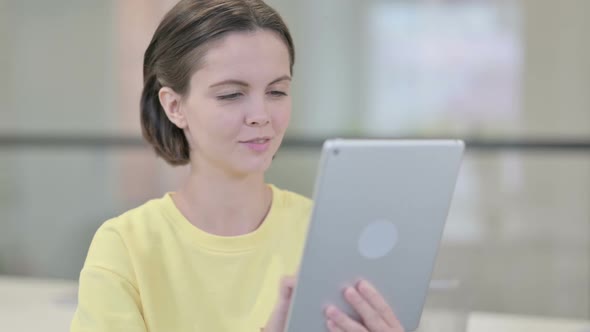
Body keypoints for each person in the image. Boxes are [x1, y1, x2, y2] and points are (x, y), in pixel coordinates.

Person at [70, 0, 405, 331]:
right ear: (174, 106)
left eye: (276, 92)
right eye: (231, 95)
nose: (261, 116)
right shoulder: (126, 248)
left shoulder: (329, 238)